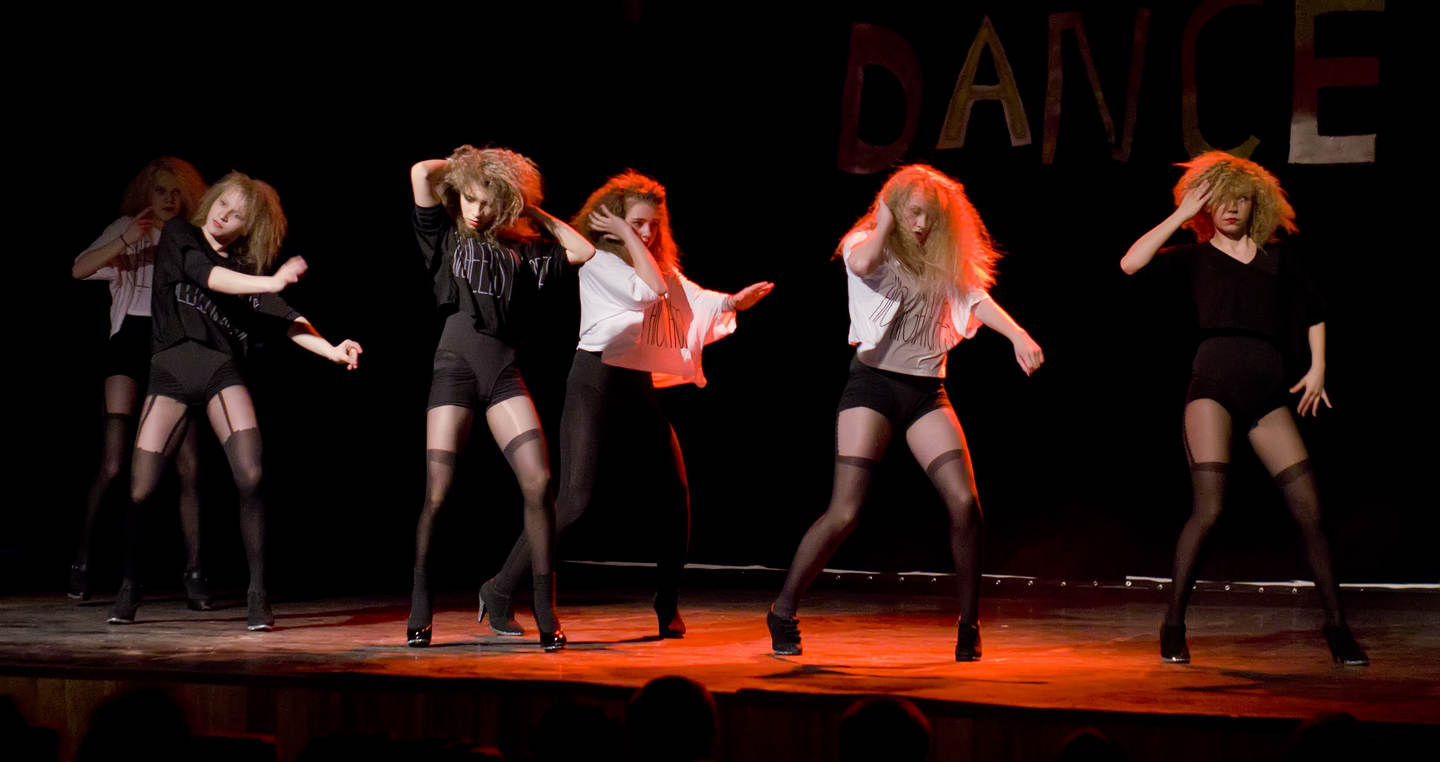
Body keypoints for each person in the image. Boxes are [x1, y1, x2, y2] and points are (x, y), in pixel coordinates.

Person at [766, 164, 1043, 661]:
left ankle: (969, 624)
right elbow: (861, 264)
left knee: (965, 502)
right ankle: (783, 610)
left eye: (931, 216)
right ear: (893, 209)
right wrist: (885, 220)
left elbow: (974, 297)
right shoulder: (866, 242)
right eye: (914, 213)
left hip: (926, 392)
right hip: (872, 385)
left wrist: (1018, 335)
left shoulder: (943, 257)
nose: (922, 224)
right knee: (845, 510)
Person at [479, 171, 772, 639]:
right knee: (574, 501)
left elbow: (691, 298)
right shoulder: (598, 259)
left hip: (636, 386)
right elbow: (649, 291)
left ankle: (667, 601)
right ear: (612, 222)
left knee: (676, 495)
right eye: (638, 223)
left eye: (654, 224)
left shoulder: (657, 265)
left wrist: (733, 303)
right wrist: (617, 231)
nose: (648, 232)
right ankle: (499, 588)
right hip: (594, 380)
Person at [1119, 151, 1367, 665]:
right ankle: (1173, 624)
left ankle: (1337, 628)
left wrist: (1318, 367)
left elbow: (1314, 311)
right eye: (1221, 199)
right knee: (1209, 508)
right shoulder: (1195, 257)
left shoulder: (1278, 259)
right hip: (1212, 388)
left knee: (1311, 511)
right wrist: (1181, 214)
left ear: (1258, 205)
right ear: (1206, 204)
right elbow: (1130, 263)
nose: (1232, 207)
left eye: (1241, 199)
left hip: (1268, 396)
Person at [107, 171, 362, 631]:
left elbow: (286, 318)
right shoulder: (180, 236)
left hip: (220, 372)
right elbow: (205, 274)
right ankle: (129, 585)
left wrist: (331, 349)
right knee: (141, 488)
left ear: (249, 227)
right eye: (222, 203)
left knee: (251, 473)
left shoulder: (247, 273)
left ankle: (258, 594)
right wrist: (273, 282)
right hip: (170, 373)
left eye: (238, 214)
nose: (225, 215)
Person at [406, 145, 595, 650]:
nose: (477, 210)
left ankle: (545, 609)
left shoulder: (526, 252)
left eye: (488, 202)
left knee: (539, 483)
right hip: (453, 369)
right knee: (438, 490)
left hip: (504, 373)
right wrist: (472, 168)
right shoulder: (446, 235)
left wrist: (527, 206)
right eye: (470, 198)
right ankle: (420, 604)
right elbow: (422, 171)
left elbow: (583, 252)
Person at [69, 157, 210, 608]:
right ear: (146, 194)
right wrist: (128, 239)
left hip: (173, 349)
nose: (169, 199)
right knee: (114, 463)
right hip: (129, 345)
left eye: (176, 192)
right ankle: (83, 560)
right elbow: (79, 269)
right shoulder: (130, 227)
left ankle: (194, 572)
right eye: (161, 191)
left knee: (189, 465)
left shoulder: (191, 236)